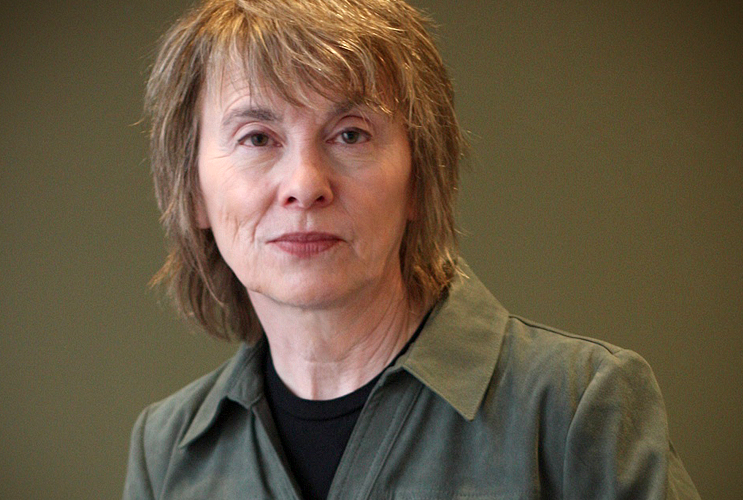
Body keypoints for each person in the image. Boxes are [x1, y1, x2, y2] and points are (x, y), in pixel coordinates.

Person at [124, 0, 701, 498]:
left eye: (350, 134)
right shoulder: (166, 451)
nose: (305, 184)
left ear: (420, 178)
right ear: (191, 190)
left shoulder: (577, 407)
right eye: (256, 138)